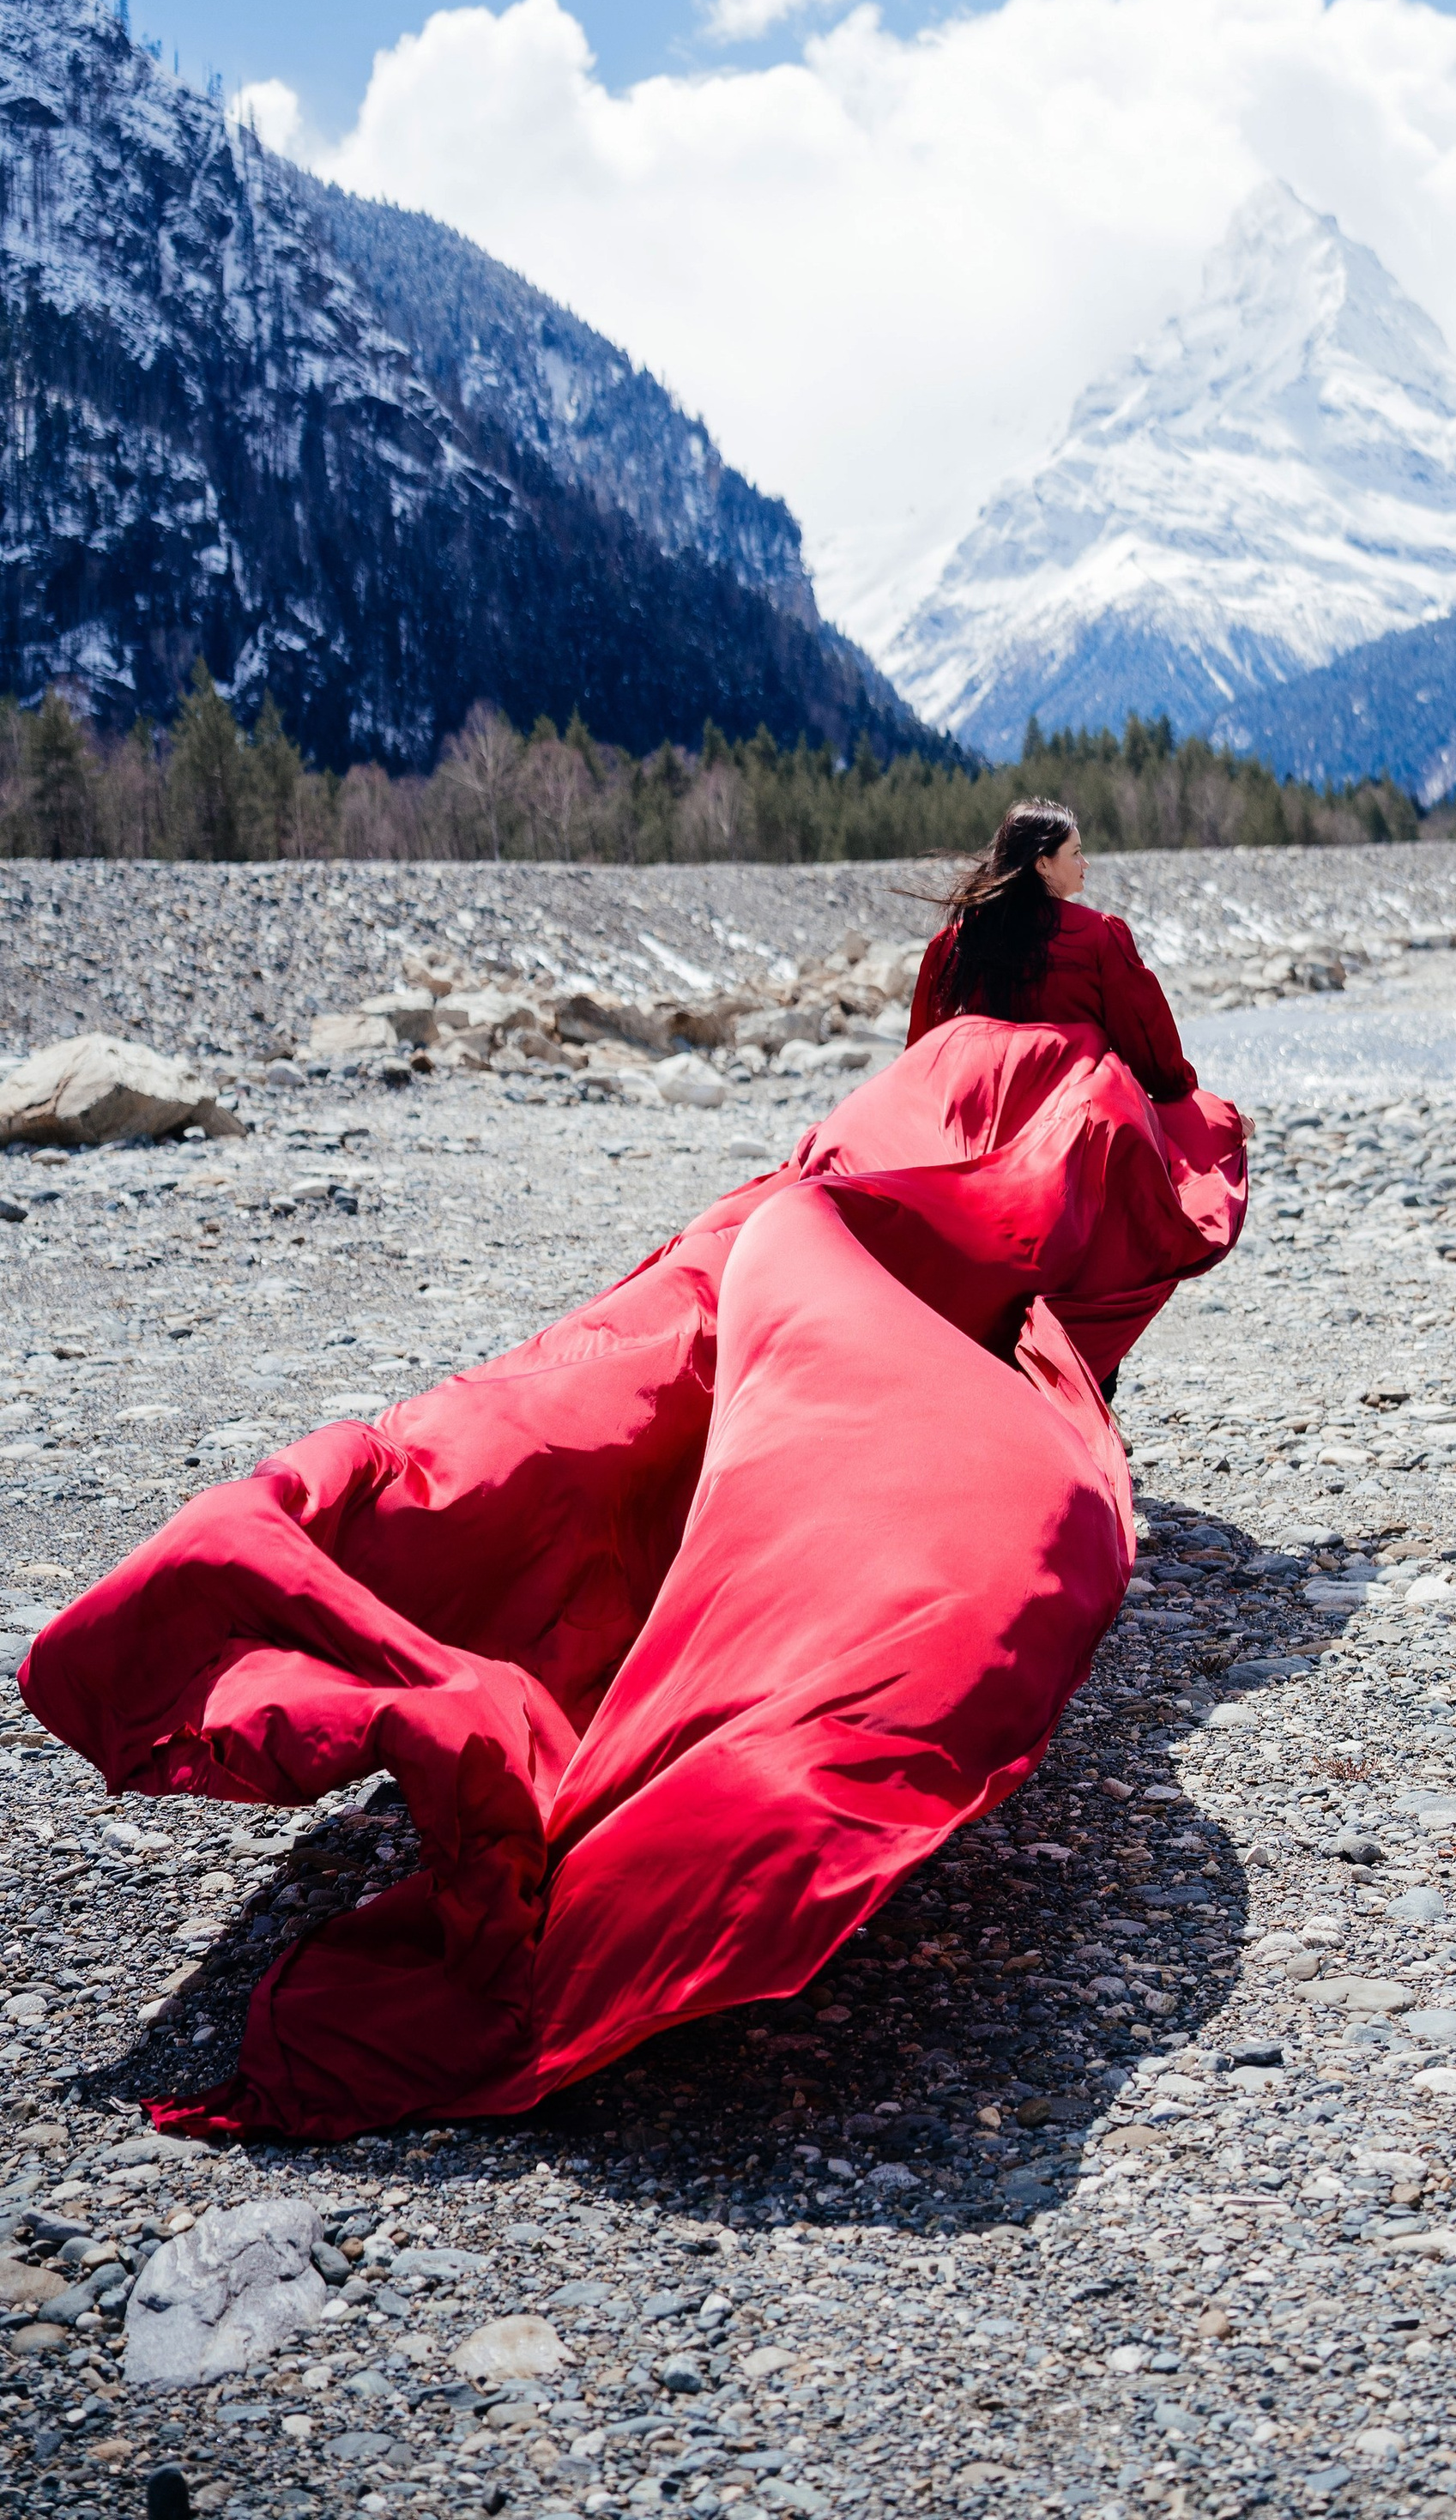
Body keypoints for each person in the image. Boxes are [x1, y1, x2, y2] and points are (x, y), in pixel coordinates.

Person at [23, 806, 1250, 2142]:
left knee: (708, 1330)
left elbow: (914, 1043)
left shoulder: (962, 940)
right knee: (1000, 1275)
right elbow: (1161, 1057)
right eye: (1075, 854)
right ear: (1060, 863)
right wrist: (1189, 1130)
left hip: (906, 1114)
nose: (1080, 873)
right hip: (1035, 1119)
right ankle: (955, 1467)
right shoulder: (1100, 938)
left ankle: (394, 1557)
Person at [908, 798, 1206, 1106]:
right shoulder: (1098, 935)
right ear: (1043, 864)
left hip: (984, 1112)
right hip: (1072, 1116)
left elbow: (924, 1051)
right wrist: (1182, 1091)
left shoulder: (954, 942)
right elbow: (1146, 1042)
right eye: (1076, 853)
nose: (1085, 863)